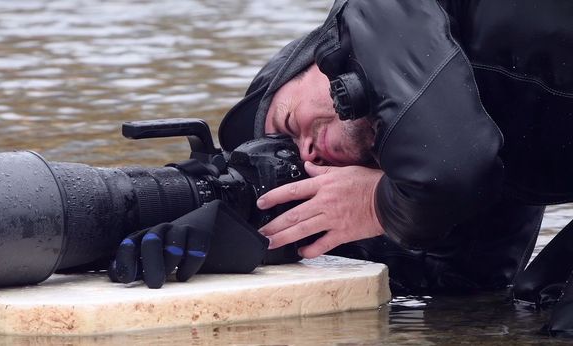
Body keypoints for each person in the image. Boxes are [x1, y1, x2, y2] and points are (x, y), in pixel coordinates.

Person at [216, 0, 573, 335]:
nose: (307, 152)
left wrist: (373, 204)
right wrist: (271, 237)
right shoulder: (440, 135)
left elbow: (449, 175)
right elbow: (468, 277)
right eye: (302, 160)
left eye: (289, 123)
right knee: (538, 300)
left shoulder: (372, 14)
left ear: (310, 63)